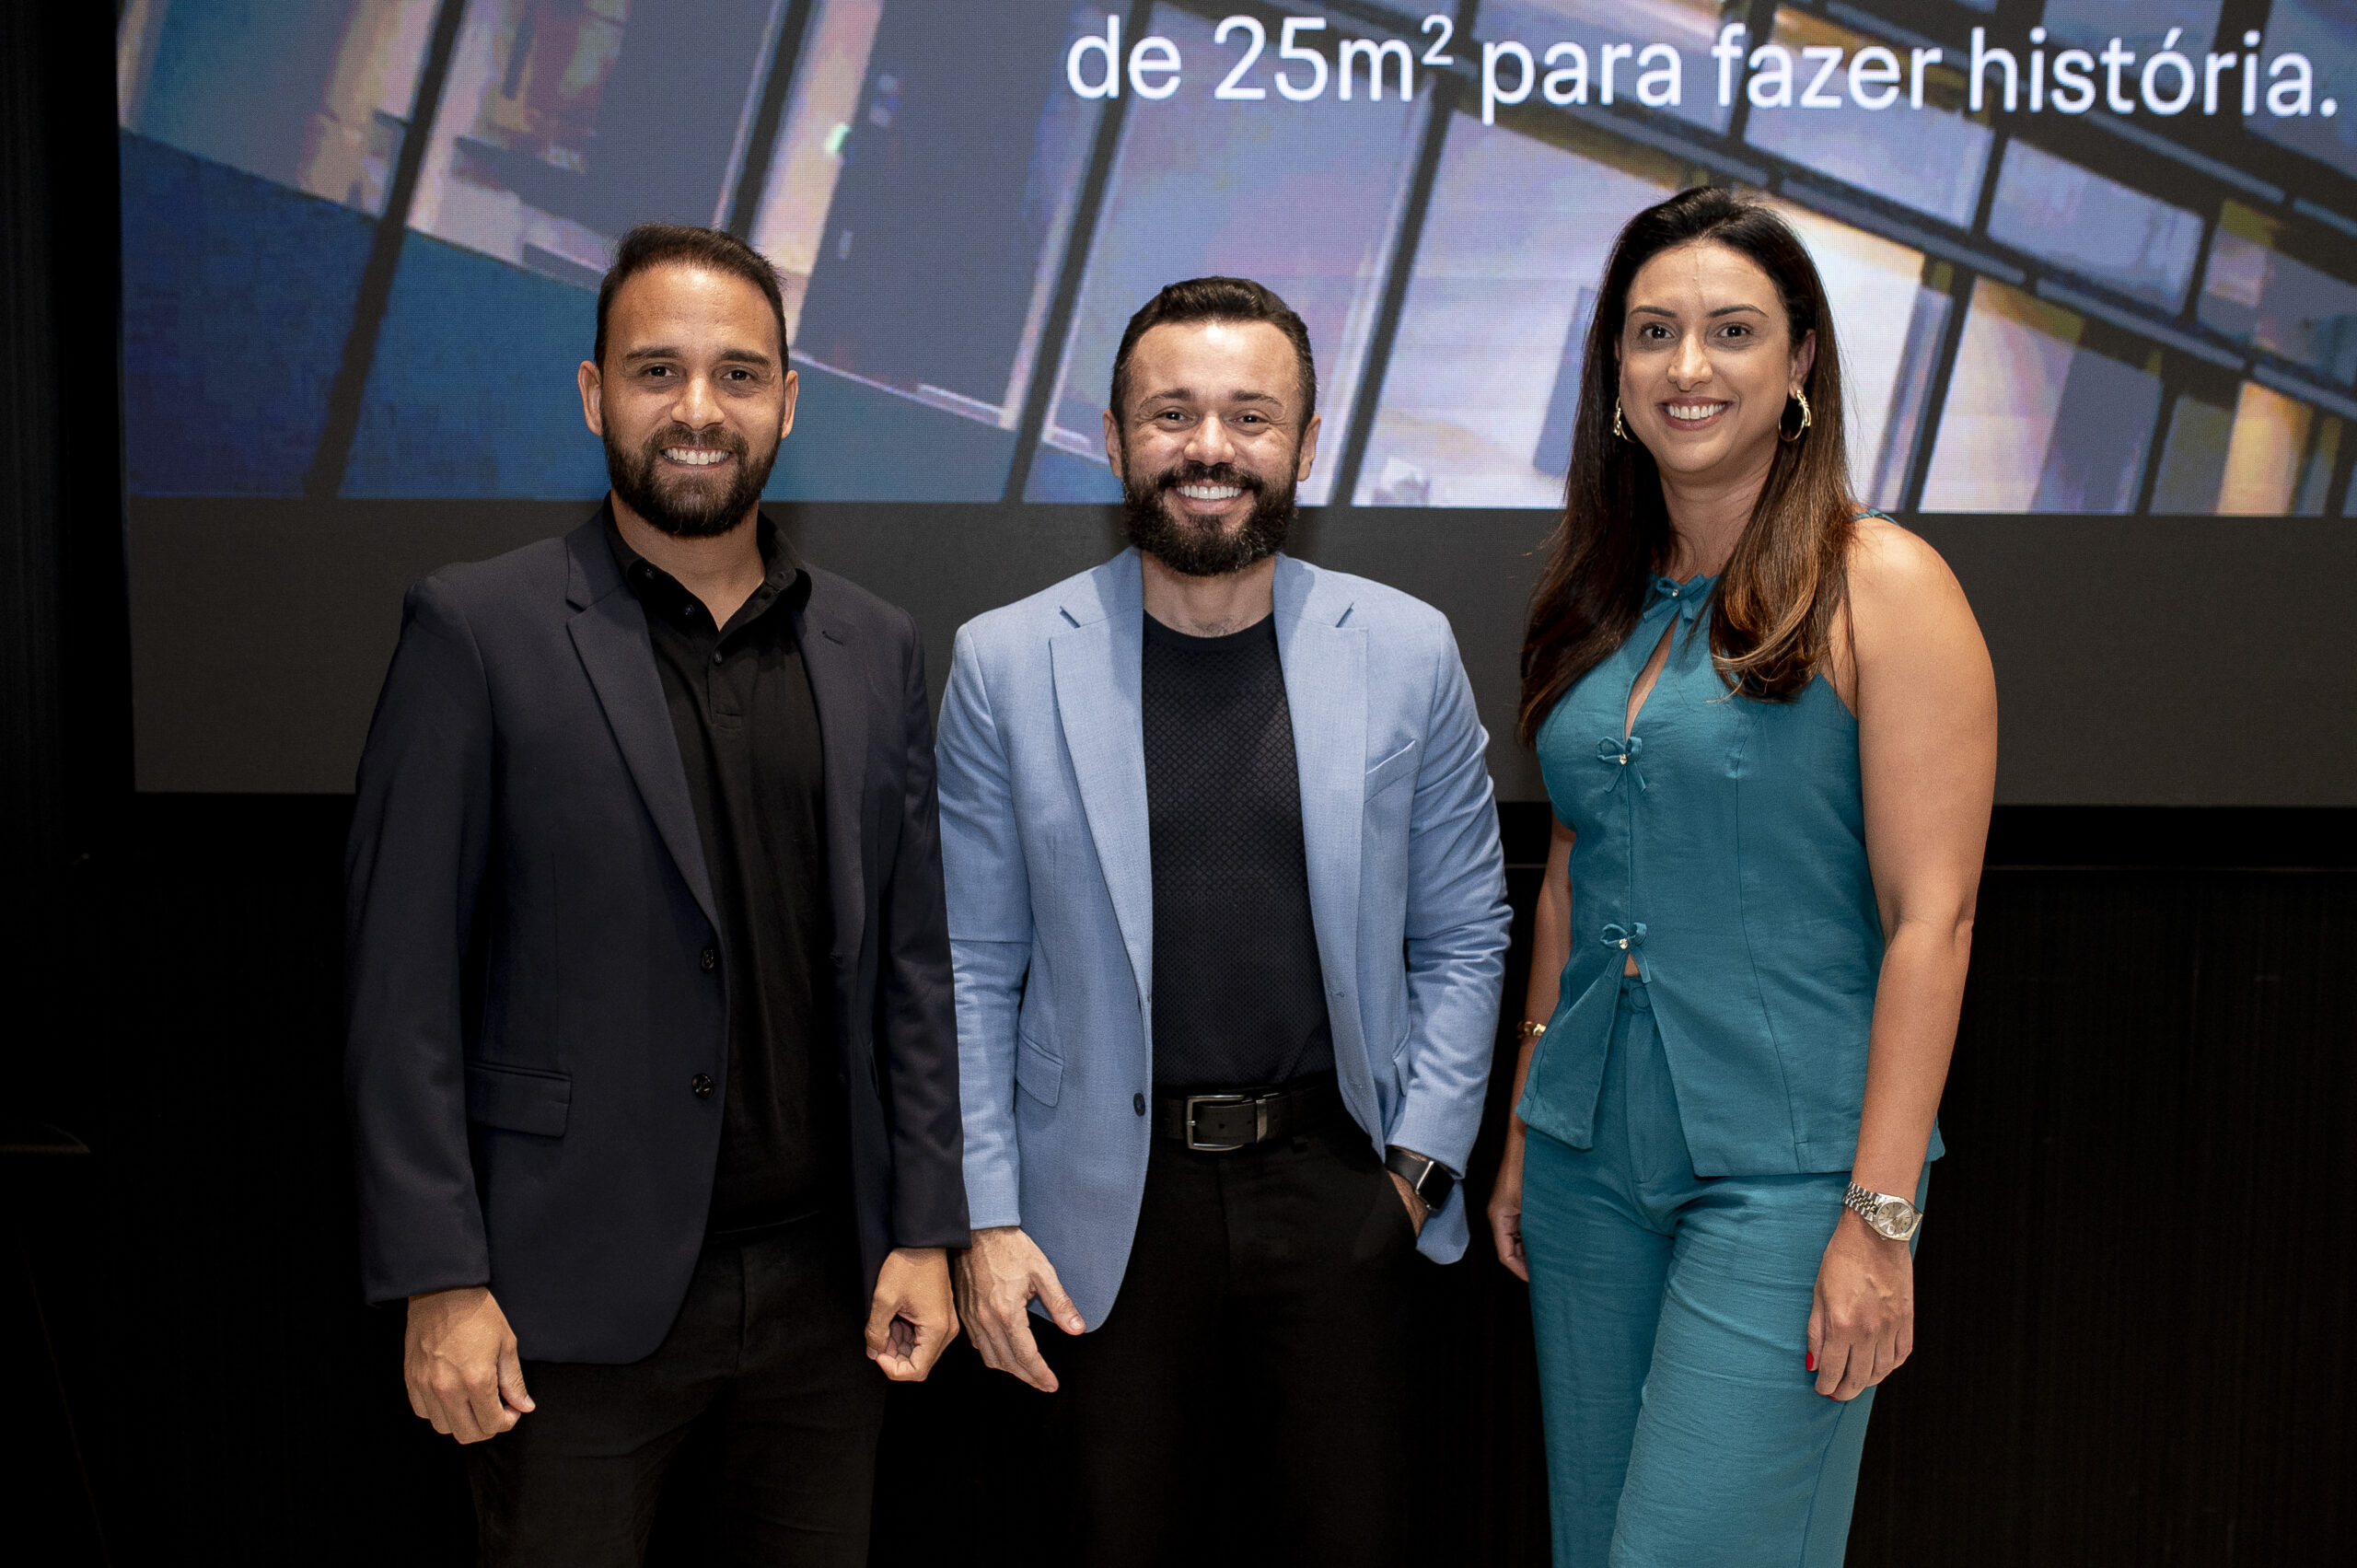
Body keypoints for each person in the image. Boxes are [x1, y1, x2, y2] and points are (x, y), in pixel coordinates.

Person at [343, 224, 965, 1567]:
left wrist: (927, 1228)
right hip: (559, 1302)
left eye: (738, 375)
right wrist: (439, 1276)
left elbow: (914, 971)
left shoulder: (875, 645)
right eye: (656, 371)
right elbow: (401, 991)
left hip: (827, 1303)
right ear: (594, 395)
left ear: (789, 403)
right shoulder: (476, 631)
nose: (697, 410)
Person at [936, 277, 1511, 1565]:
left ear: (1306, 444)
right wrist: (988, 1218)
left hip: (1342, 1192)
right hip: (1096, 1219)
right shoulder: (1006, 663)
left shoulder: (1407, 650)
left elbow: (1467, 933)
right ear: (1113, 438)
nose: (1210, 448)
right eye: (1172, 413)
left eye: (1251, 416)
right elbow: (971, 968)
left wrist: (1417, 1172)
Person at [1486, 188, 1996, 1567]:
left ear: (1801, 360)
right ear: (1614, 370)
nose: (1688, 366)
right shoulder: (1594, 599)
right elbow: (1571, 868)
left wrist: (1879, 1222)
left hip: (1793, 1178)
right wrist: (1530, 1121)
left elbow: (1934, 920)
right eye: (1653, 332)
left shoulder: (1884, 584)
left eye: (1731, 330)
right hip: (1588, 1163)